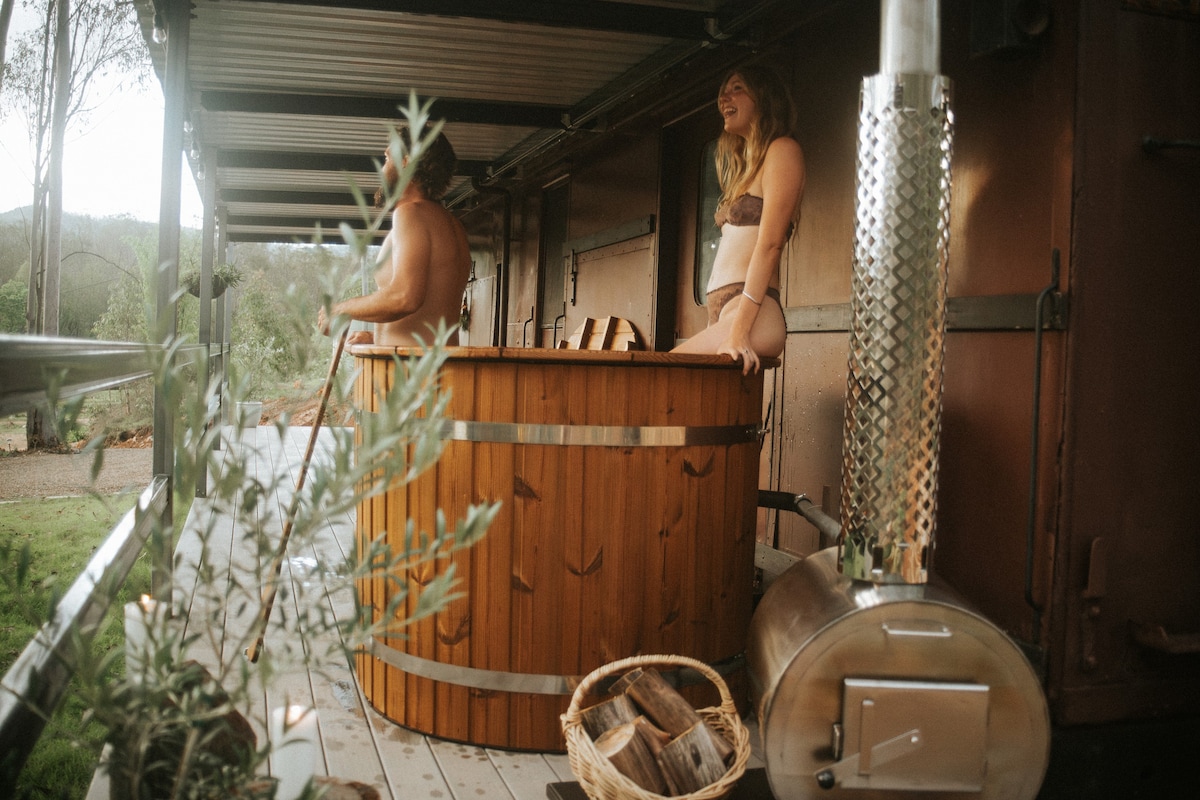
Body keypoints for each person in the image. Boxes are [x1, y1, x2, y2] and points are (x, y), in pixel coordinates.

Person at [672, 64, 806, 375]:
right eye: (722, 93)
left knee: (665, 371)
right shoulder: (748, 168)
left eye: (736, 88)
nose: (724, 99)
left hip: (752, 313)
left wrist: (739, 331)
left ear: (764, 98)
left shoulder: (783, 150)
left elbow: (771, 244)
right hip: (728, 312)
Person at [318, 129, 470, 347]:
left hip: (412, 374)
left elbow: (404, 297)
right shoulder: (451, 224)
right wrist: (376, 337)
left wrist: (340, 309)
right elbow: (433, 316)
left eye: (387, 158)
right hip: (434, 369)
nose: (382, 169)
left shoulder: (411, 213)